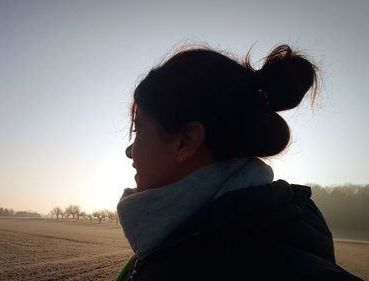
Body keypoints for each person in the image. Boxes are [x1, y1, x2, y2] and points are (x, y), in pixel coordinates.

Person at [115, 44, 362, 281]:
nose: (129, 151)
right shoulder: (177, 240)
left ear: (186, 141)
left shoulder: (257, 263)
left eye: (138, 130)